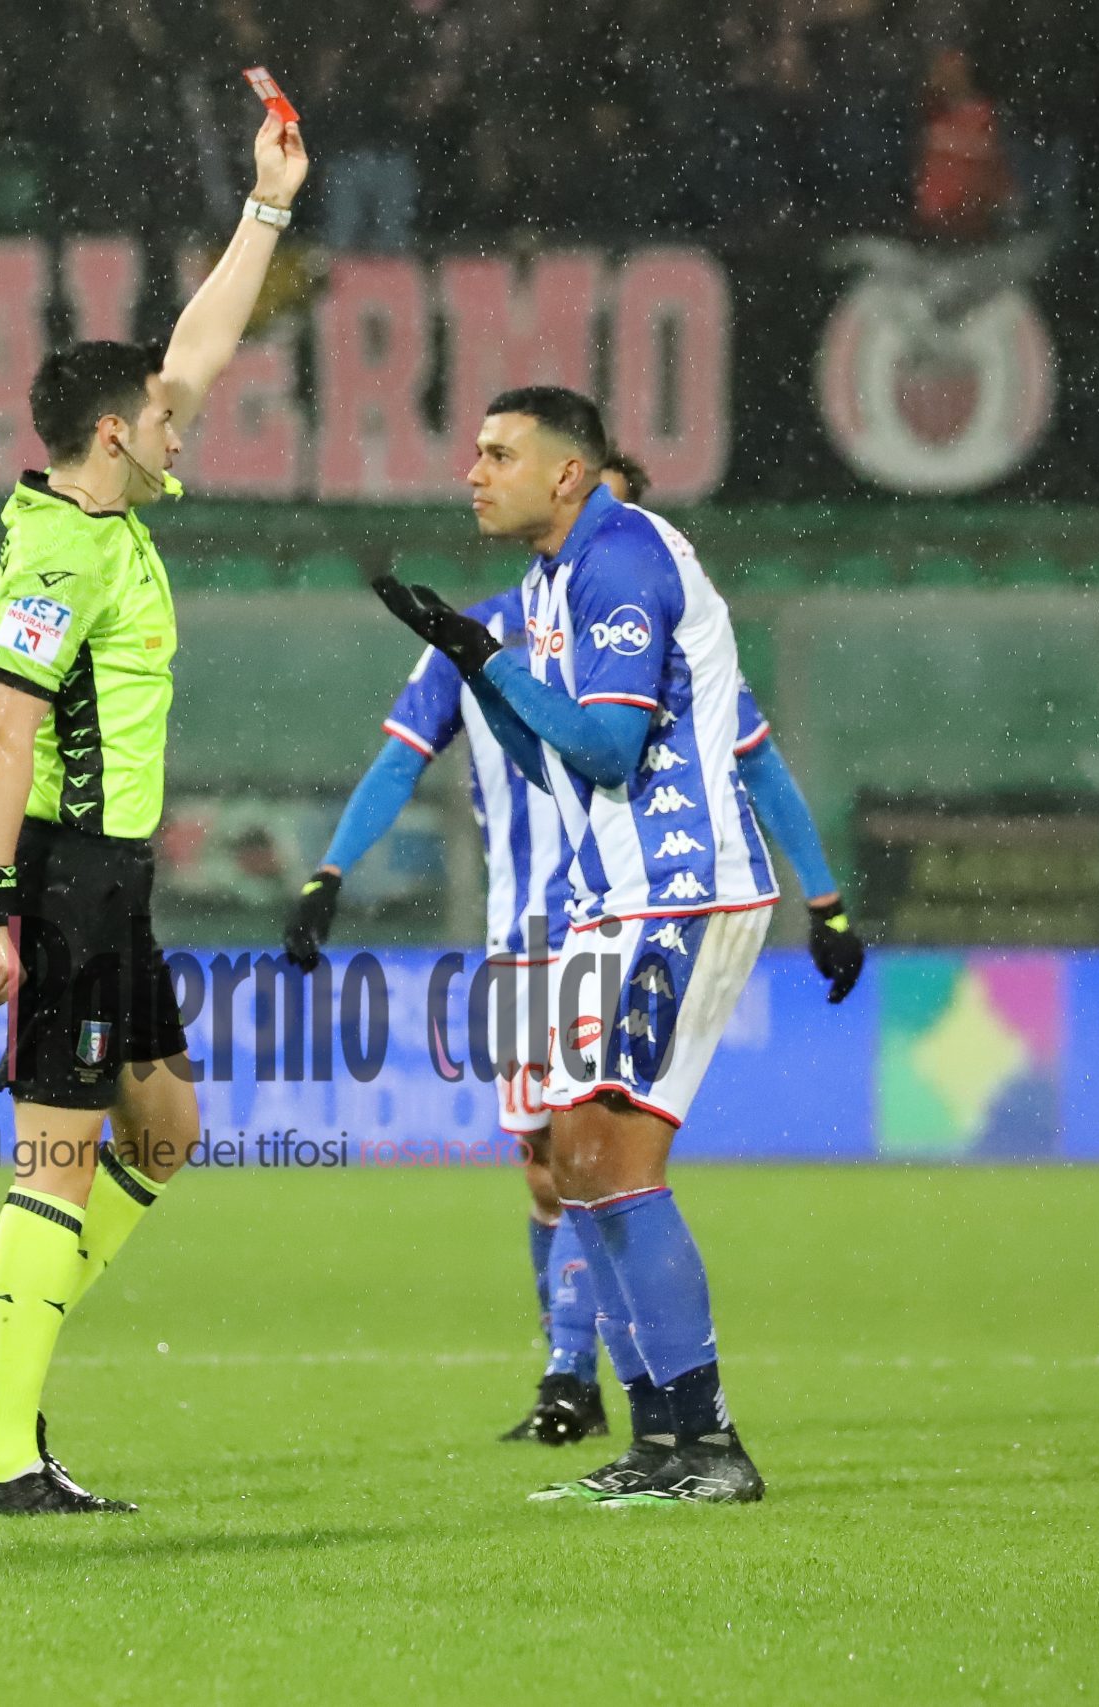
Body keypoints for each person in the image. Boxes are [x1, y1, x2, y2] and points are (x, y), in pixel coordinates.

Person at [288, 451, 863, 1453]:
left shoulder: (638, 629)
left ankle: (615, 1394)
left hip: (638, 908)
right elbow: (405, 762)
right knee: (550, 1163)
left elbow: (751, 762)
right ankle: (589, 1383)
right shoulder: (487, 634)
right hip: (532, 932)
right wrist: (327, 875)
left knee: (595, 1155)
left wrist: (827, 897)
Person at [0, 111, 309, 1517]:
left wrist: (265, 211)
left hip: (114, 876)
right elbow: (2, 727)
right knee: (61, 1153)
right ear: (110, 433)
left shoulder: (113, 517)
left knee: (163, 1130)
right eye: (158, 416)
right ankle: (5, 1456)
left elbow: (198, 349)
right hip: (63, 881)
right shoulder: (58, 555)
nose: (182, 419)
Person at [373, 385, 772, 1506]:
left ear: (565, 473)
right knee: (574, 1162)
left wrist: (487, 665)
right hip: (614, 892)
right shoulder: (553, 580)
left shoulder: (619, 561)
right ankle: (656, 1445)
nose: (472, 470)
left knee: (617, 1161)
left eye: (497, 451)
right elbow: (556, 765)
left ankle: (709, 1445)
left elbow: (603, 748)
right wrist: (472, 660)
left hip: (680, 886)